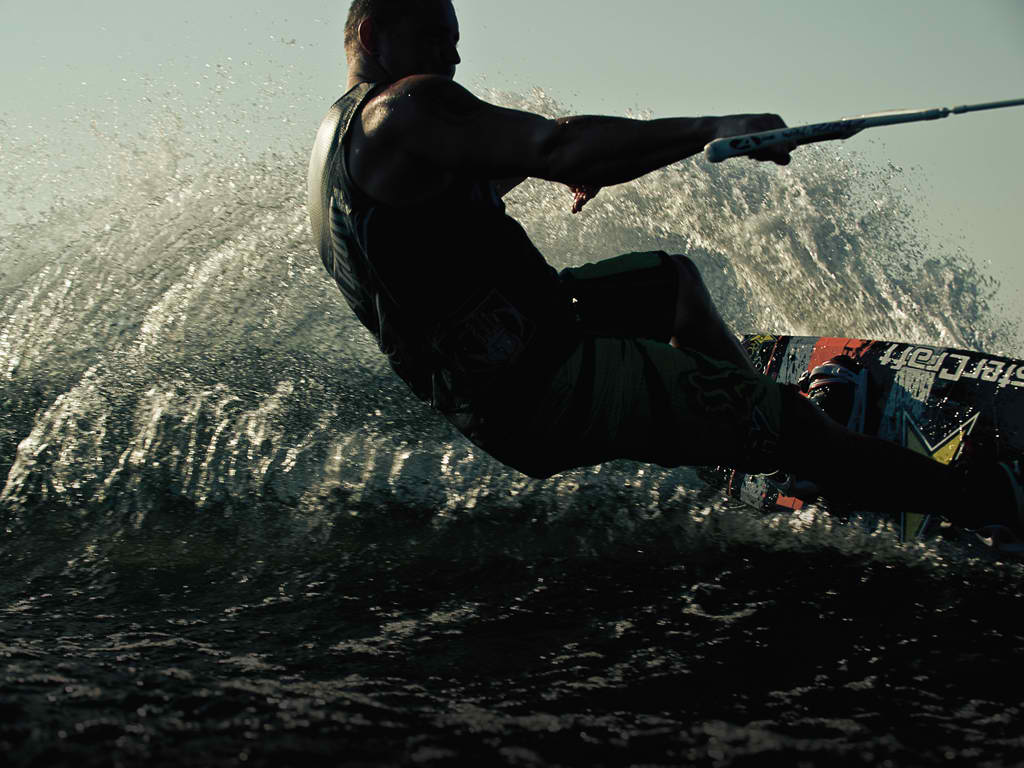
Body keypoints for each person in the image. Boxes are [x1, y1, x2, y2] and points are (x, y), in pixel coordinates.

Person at [308, 0, 1023, 543]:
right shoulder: (401, 110)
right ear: (372, 36)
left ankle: (743, 422)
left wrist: (549, 168)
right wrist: (712, 130)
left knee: (671, 285)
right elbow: (562, 145)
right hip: (552, 384)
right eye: (436, 42)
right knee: (802, 429)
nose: (450, 64)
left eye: (455, 49)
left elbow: (440, 213)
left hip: (501, 368)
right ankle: (987, 501)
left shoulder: (338, 143)